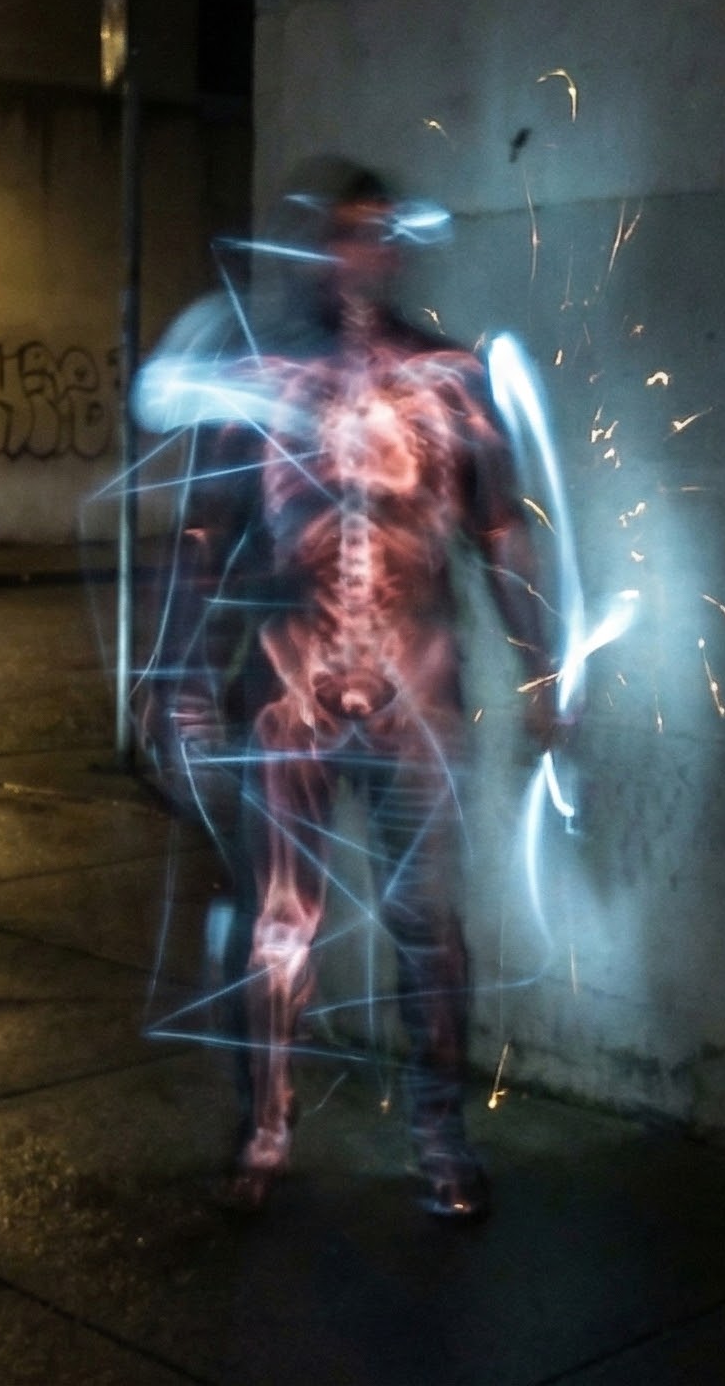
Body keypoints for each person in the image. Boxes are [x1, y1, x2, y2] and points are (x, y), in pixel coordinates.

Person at [134, 158, 563, 1219]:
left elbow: (498, 527)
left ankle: (437, 1138)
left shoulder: (450, 374)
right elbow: (200, 532)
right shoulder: (263, 378)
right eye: (337, 235)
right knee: (278, 922)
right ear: (314, 251)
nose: (355, 254)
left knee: (428, 921)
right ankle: (267, 1131)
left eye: (373, 233)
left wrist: (540, 664)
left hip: (415, 679)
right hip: (287, 675)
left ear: (396, 246)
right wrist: (172, 673)